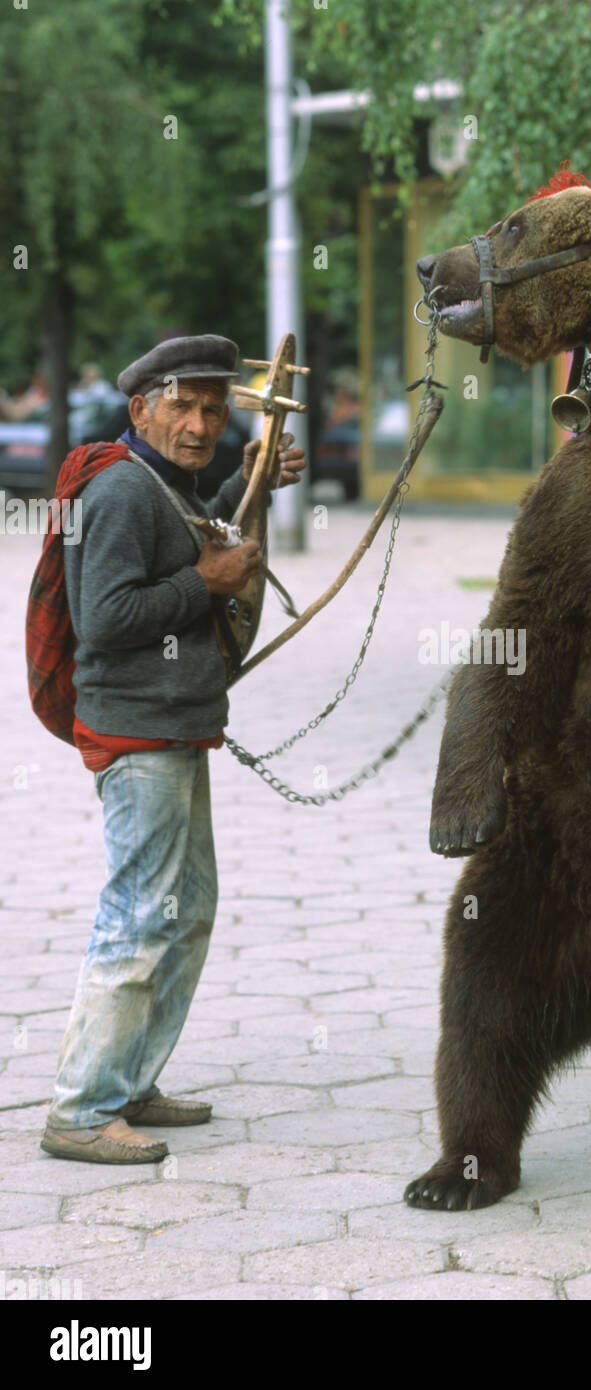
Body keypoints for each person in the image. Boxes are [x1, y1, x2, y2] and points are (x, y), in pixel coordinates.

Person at [40, 334, 305, 1164]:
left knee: (185, 914)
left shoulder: (160, 482)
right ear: (140, 409)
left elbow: (191, 534)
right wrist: (209, 584)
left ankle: (127, 1082)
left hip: (175, 728)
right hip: (139, 734)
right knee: (139, 918)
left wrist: (246, 484)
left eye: (214, 408)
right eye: (182, 405)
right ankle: (81, 1111)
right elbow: (107, 616)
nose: (198, 423)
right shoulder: (121, 491)